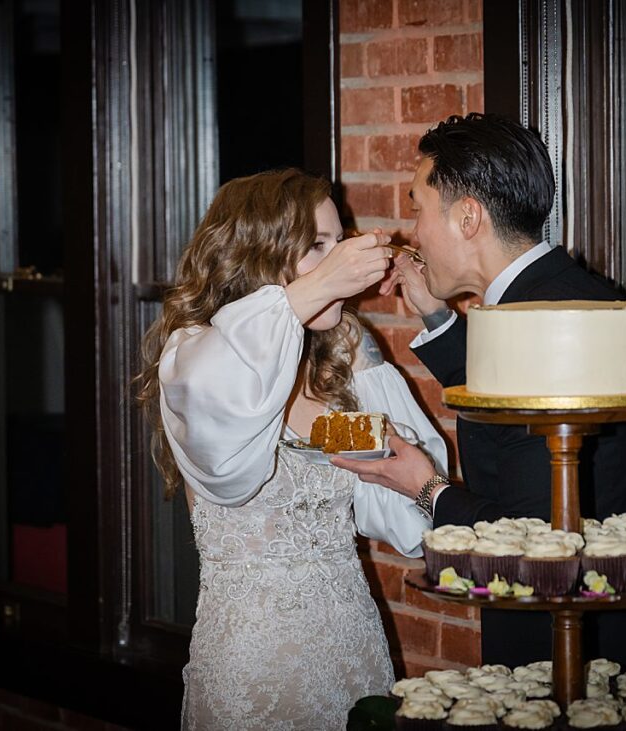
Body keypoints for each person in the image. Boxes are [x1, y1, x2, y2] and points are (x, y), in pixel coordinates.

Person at [333, 113, 626, 671]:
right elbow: (520, 408)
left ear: (467, 217)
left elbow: (528, 539)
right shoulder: (563, 299)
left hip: (576, 650)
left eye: (417, 206)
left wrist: (423, 485)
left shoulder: (543, 324)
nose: (412, 230)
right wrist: (436, 316)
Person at [134, 168, 448, 730]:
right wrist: (325, 284)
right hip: (255, 670)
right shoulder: (196, 357)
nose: (338, 265)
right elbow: (225, 437)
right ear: (259, 256)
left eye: (339, 242)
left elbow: (404, 520)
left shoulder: (342, 354)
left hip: (353, 648)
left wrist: (415, 475)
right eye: (316, 248)